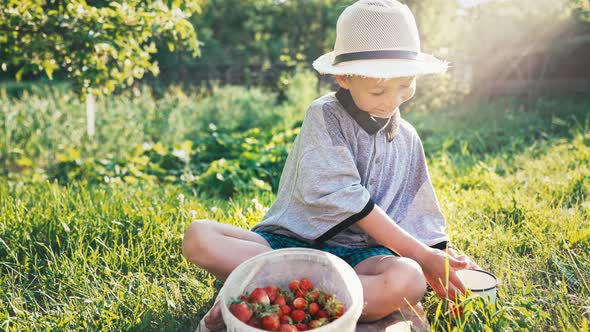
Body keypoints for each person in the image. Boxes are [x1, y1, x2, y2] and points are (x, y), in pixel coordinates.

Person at [182, 0, 478, 330]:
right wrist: (422, 255)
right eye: (379, 89)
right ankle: (325, 301)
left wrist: (434, 257)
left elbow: (418, 211)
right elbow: (341, 194)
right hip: (291, 245)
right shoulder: (324, 115)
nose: (393, 100)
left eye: (405, 85)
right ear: (343, 78)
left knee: (408, 279)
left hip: (360, 259)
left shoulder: (407, 137)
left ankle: (270, 295)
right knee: (199, 237)